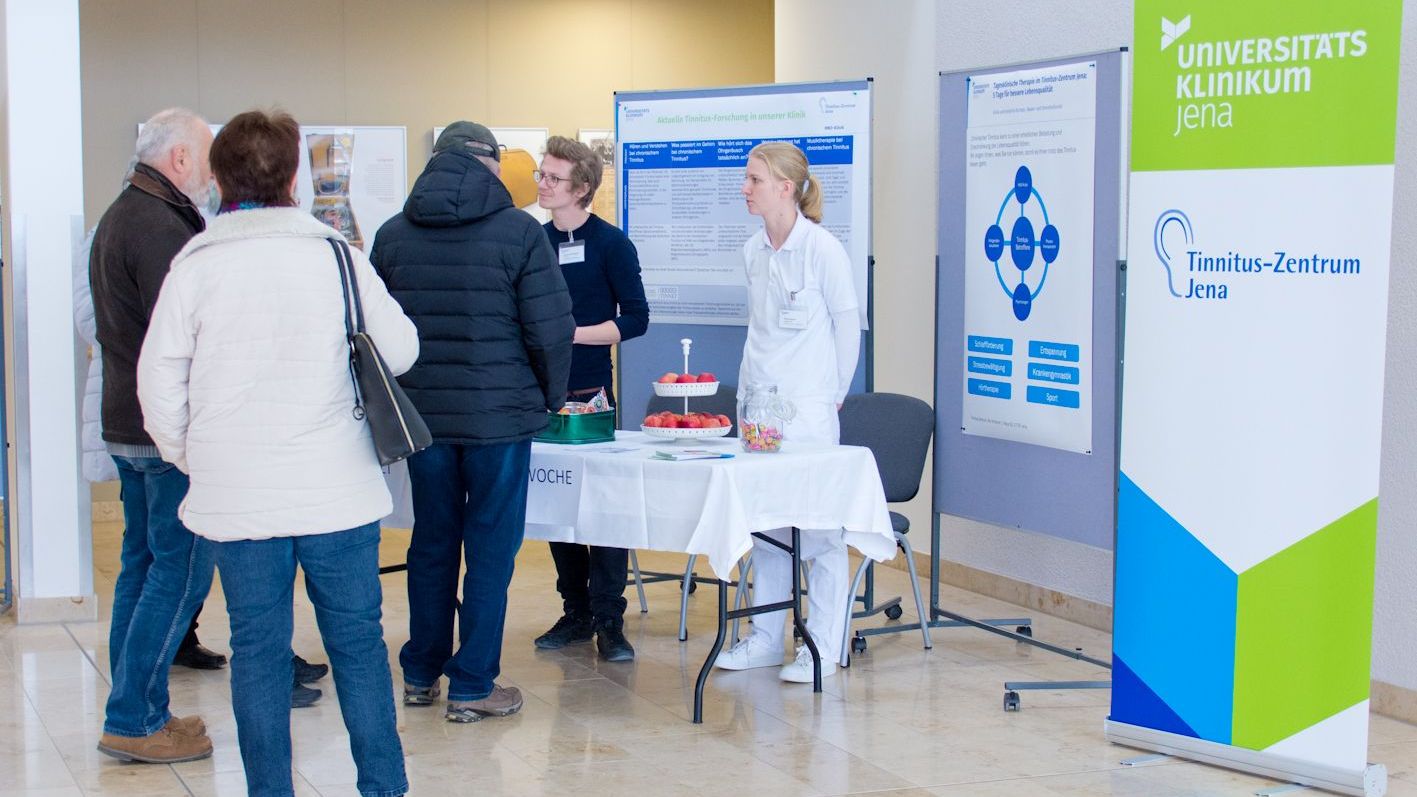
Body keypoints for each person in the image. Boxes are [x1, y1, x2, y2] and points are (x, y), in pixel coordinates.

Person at [138, 109, 417, 797]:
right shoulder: (335, 257)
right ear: (294, 177)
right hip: (337, 491)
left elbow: (157, 381)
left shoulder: (194, 266)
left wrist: (190, 455)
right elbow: (403, 349)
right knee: (356, 645)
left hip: (238, 496)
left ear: (218, 178)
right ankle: (383, 787)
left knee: (258, 652)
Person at [371, 121, 574, 723]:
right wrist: (546, 397)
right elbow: (550, 327)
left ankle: (419, 671)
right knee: (490, 549)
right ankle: (473, 685)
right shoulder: (518, 232)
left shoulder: (393, 235)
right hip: (500, 421)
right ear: (488, 163)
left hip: (424, 419)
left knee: (432, 542)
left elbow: (377, 334)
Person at [90, 107, 218, 763]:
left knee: (141, 570)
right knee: (180, 573)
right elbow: (186, 339)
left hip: (127, 424)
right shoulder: (160, 227)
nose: (211, 172)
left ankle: (141, 709)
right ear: (178, 161)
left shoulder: (122, 213)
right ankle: (134, 717)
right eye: (205, 156)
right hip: (163, 431)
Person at [713, 141, 861, 683]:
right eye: (746, 179)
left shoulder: (823, 249)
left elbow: (848, 327)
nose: (744, 188)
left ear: (785, 187)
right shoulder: (754, 251)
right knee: (767, 528)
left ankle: (821, 646)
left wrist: (833, 392)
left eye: (754, 180)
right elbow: (763, 330)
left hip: (809, 411)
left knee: (820, 533)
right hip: (760, 408)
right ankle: (765, 638)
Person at [532, 136, 649, 662]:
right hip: (540, 394)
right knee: (559, 508)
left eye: (553, 178)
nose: (542, 184)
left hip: (592, 395)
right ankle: (575, 611)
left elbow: (637, 318)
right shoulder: (532, 241)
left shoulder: (610, 243)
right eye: (541, 174)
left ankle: (609, 619)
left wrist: (573, 334)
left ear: (581, 188)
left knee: (603, 511)